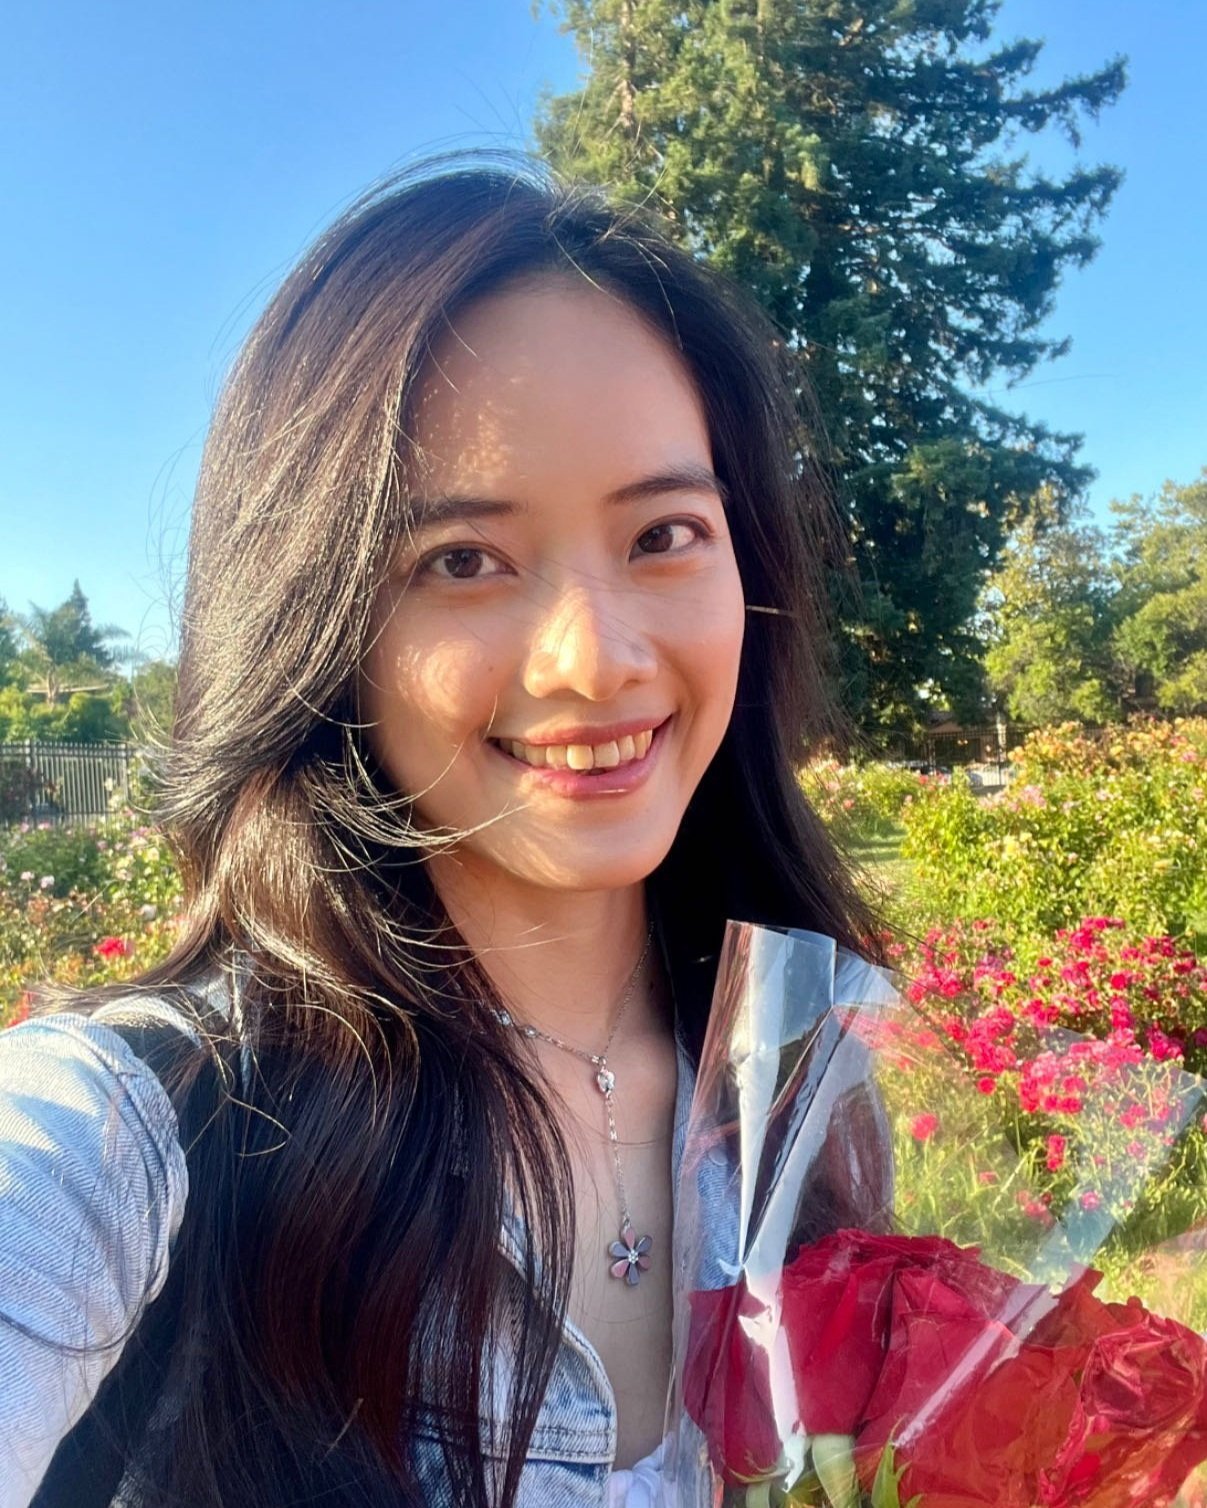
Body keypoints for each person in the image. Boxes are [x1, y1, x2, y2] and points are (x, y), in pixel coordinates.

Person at [0, 154, 879, 1507]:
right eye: (463, 561)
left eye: (664, 534)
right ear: (321, 620)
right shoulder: (131, 1140)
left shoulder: (806, 1089)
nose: (597, 659)